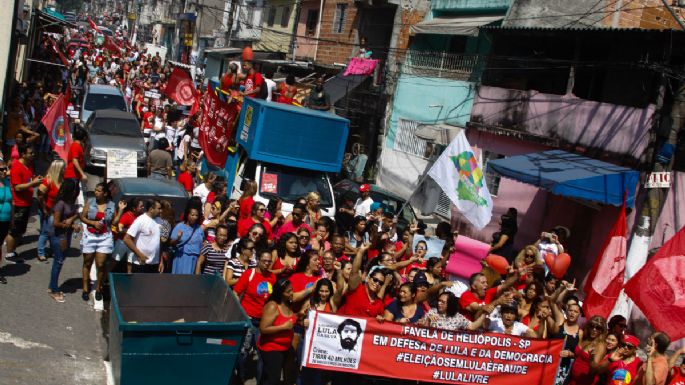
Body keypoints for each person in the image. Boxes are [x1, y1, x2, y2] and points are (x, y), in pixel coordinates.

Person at [233, 250, 277, 383]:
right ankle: (240, 377)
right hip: (249, 319)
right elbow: (236, 293)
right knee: (244, 352)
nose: (267, 264)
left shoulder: (272, 277)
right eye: (264, 261)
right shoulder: (249, 274)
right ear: (258, 260)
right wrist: (241, 313)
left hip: (263, 321)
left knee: (262, 354)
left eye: (269, 261)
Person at [80, 182, 121, 302]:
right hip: (90, 235)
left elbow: (114, 223)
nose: (96, 192)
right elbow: (82, 217)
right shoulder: (90, 202)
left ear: (104, 193)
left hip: (104, 236)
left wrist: (121, 211)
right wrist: (93, 223)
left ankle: (99, 288)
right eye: (95, 190)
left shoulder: (112, 205)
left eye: (98, 191)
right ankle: (85, 288)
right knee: (87, 262)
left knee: (101, 264)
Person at [6, 145, 43, 262]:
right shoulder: (17, 166)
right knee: (14, 230)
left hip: (26, 203)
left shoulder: (29, 165)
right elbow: (17, 187)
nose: (33, 155)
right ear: (23, 154)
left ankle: (12, 251)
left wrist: (36, 181)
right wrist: (33, 184)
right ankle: (9, 254)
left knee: (20, 230)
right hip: (18, 204)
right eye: (30, 153)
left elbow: (29, 181)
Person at [258, 279, 297, 385]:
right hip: (272, 348)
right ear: (280, 293)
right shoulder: (272, 306)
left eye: (292, 290)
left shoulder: (289, 303)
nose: (292, 293)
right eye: (288, 291)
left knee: (285, 377)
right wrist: (283, 327)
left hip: (286, 348)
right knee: (273, 379)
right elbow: (263, 328)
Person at [336, 244, 392, 317]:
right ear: (368, 279)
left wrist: (379, 319)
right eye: (375, 280)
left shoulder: (379, 304)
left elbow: (379, 322)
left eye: (380, 283)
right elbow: (354, 271)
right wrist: (361, 251)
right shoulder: (356, 288)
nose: (377, 283)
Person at [47, 179, 80, 303]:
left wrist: (72, 219)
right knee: (58, 262)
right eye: (75, 190)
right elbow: (56, 223)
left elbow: (76, 214)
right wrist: (72, 225)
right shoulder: (60, 204)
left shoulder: (69, 202)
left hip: (66, 236)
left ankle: (52, 286)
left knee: (60, 261)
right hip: (59, 237)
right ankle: (54, 290)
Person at [36, 159, 65, 262]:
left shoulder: (61, 180)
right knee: (45, 232)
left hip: (57, 211)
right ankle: (41, 253)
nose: (65, 170)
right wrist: (44, 209)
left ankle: (53, 250)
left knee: (54, 232)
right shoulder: (48, 180)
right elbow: (39, 195)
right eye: (63, 168)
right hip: (48, 210)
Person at [124, 199, 164, 273]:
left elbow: (159, 243)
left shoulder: (160, 221)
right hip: (140, 263)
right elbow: (127, 239)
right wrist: (139, 254)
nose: (161, 211)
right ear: (151, 209)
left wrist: (161, 261)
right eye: (159, 208)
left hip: (155, 264)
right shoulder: (140, 220)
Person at [568, 316, 608, 385]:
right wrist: (570, 354)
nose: (594, 329)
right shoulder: (585, 338)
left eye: (598, 328)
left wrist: (591, 358)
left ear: (602, 330)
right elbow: (579, 356)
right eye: (592, 326)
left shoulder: (600, 345)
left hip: (586, 381)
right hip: (573, 380)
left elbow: (594, 369)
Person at [419, 292, 486, 331]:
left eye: (443, 302)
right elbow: (423, 332)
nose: (439, 303)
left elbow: (472, 327)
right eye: (439, 301)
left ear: (450, 304)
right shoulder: (432, 312)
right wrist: (428, 320)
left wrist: (484, 314)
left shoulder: (457, 317)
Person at [170, 206, 205, 274]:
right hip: (182, 258)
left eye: (196, 215)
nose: (194, 217)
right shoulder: (179, 226)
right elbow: (171, 243)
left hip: (194, 259)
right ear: (187, 215)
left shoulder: (199, 229)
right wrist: (178, 238)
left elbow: (203, 243)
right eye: (192, 215)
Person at [0, 161, 11, 284]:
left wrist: (12, 219)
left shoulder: (7, 183)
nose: (4, 171)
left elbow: (11, 202)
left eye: (5, 169)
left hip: (5, 220)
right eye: (1, 169)